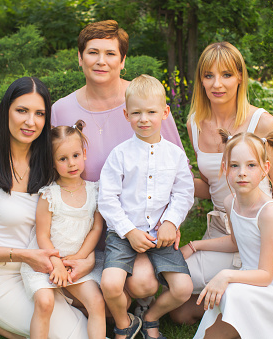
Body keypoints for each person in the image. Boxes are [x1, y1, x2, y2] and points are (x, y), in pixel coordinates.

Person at [51, 20, 184, 310]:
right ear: (79, 58)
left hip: (136, 228)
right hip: (81, 227)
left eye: (111, 53)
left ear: (123, 61)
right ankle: (116, 313)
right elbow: (48, 170)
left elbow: (176, 171)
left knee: (142, 284)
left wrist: (171, 220)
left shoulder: (147, 104)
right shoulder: (61, 109)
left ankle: (132, 307)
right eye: (92, 52)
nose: (101, 61)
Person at [170, 41, 273, 325]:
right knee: (177, 304)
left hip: (257, 231)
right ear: (200, 80)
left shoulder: (262, 122)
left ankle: (240, 303)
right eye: (209, 75)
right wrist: (170, 179)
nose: (217, 84)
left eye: (227, 74)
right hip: (222, 230)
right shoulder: (195, 122)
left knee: (207, 299)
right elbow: (211, 186)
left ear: (240, 76)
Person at [0, 77, 88, 339]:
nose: (30, 121)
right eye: (22, 110)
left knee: (89, 333)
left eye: (39, 113)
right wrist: (23, 255)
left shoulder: (49, 162)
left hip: (37, 274)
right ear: (6, 111)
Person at [193, 131, 273, 339]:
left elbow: (266, 275)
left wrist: (226, 275)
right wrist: (196, 245)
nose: (242, 172)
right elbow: (235, 242)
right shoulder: (230, 202)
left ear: (265, 169)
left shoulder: (269, 212)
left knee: (228, 292)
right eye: (235, 165)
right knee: (199, 324)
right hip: (252, 276)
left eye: (251, 165)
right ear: (225, 169)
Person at [98, 75, 194, 339]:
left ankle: (150, 317)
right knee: (110, 284)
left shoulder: (174, 155)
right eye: (137, 113)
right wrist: (128, 231)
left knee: (183, 288)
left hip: (160, 234)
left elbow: (184, 192)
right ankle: (124, 324)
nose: (144, 119)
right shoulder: (120, 154)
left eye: (151, 112)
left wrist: (171, 222)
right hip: (123, 234)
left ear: (164, 113)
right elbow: (107, 198)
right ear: (126, 114)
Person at [20, 120, 105, 339]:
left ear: (84, 153)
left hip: (76, 262)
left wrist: (80, 256)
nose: (71, 163)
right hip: (46, 262)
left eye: (75, 156)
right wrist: (56, 264)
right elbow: (42, 235)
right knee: (45, 303)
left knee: (96, 302)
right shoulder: (49, 194)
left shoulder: (94, 191)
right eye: (63, 159)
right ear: (52, 163)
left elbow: (96, 228)